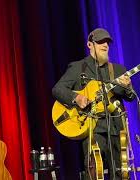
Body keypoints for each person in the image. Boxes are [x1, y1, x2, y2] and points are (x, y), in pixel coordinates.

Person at [52, 28, 136, 179]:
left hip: (116, 129)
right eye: (100, 42)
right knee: (94, 173)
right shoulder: (79, 67)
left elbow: (129, 97)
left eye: (107, 42)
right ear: (90, 44)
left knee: (120, 174)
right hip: (93, 128)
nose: (105, 45)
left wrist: (128, 87)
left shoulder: (117, 70)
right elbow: (57, 89)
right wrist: (76, 98)